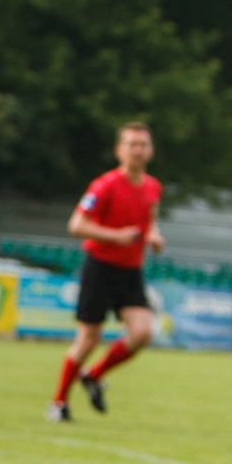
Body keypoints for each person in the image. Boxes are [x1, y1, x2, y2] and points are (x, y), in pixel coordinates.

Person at [49, 123, 165, 422]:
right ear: (119, 150)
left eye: (143, 145)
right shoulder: (105, 186)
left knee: (142, 332)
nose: (137, 150)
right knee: (89, 339)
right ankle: (59, 402)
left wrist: (153, 236)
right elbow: (76, 225)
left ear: (150, 151)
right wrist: (114, 236)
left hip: (130, 271)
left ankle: (94, 375)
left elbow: (149, 221)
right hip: (99, 267)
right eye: (131, 144)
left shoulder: (153, 187)